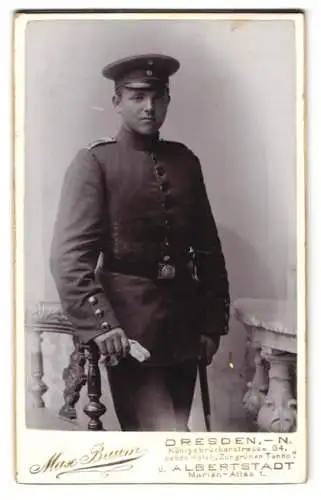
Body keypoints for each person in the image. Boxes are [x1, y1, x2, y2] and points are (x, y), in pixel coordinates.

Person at [50, 53, 230, 431]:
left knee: (178, 434)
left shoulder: (185, 161)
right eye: (136, 96)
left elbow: (209, 250)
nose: (149, 107)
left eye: (158, 97)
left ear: (167, 100)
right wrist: (102, 327)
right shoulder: (95, 162)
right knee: (154, 436)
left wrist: (211, 325)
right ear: (117, 103)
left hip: (185, 327)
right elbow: (69, 258)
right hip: (129, 333)